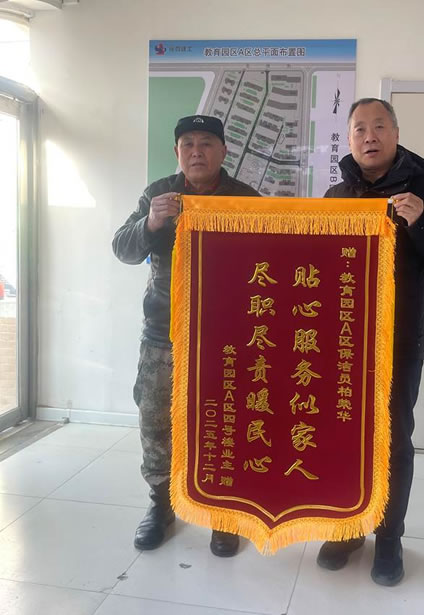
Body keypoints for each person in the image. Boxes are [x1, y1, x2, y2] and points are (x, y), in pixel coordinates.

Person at [317, 98, 424, 586]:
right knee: (341, 435)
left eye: (379, 126)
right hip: (341, 346)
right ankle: (347, 527)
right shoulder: (337, 195)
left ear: (396, 133)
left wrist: (421, 220)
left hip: (398, 343)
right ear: (349, 139)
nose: (370, 136)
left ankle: (388, 537)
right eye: (359, 128)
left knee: (391, 439)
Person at [112, 115, 259, 554]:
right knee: (157, 423)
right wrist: (151, 223)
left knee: (226, 423)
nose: (197, 151)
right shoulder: (158, 194)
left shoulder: (246, 199)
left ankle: (222, 513)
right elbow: (122, 248)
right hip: (164, 334)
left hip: (227, 338)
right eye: (188, 144)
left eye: (207, 143)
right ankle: (161, 505)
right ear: (177, 152)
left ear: (223, 151)